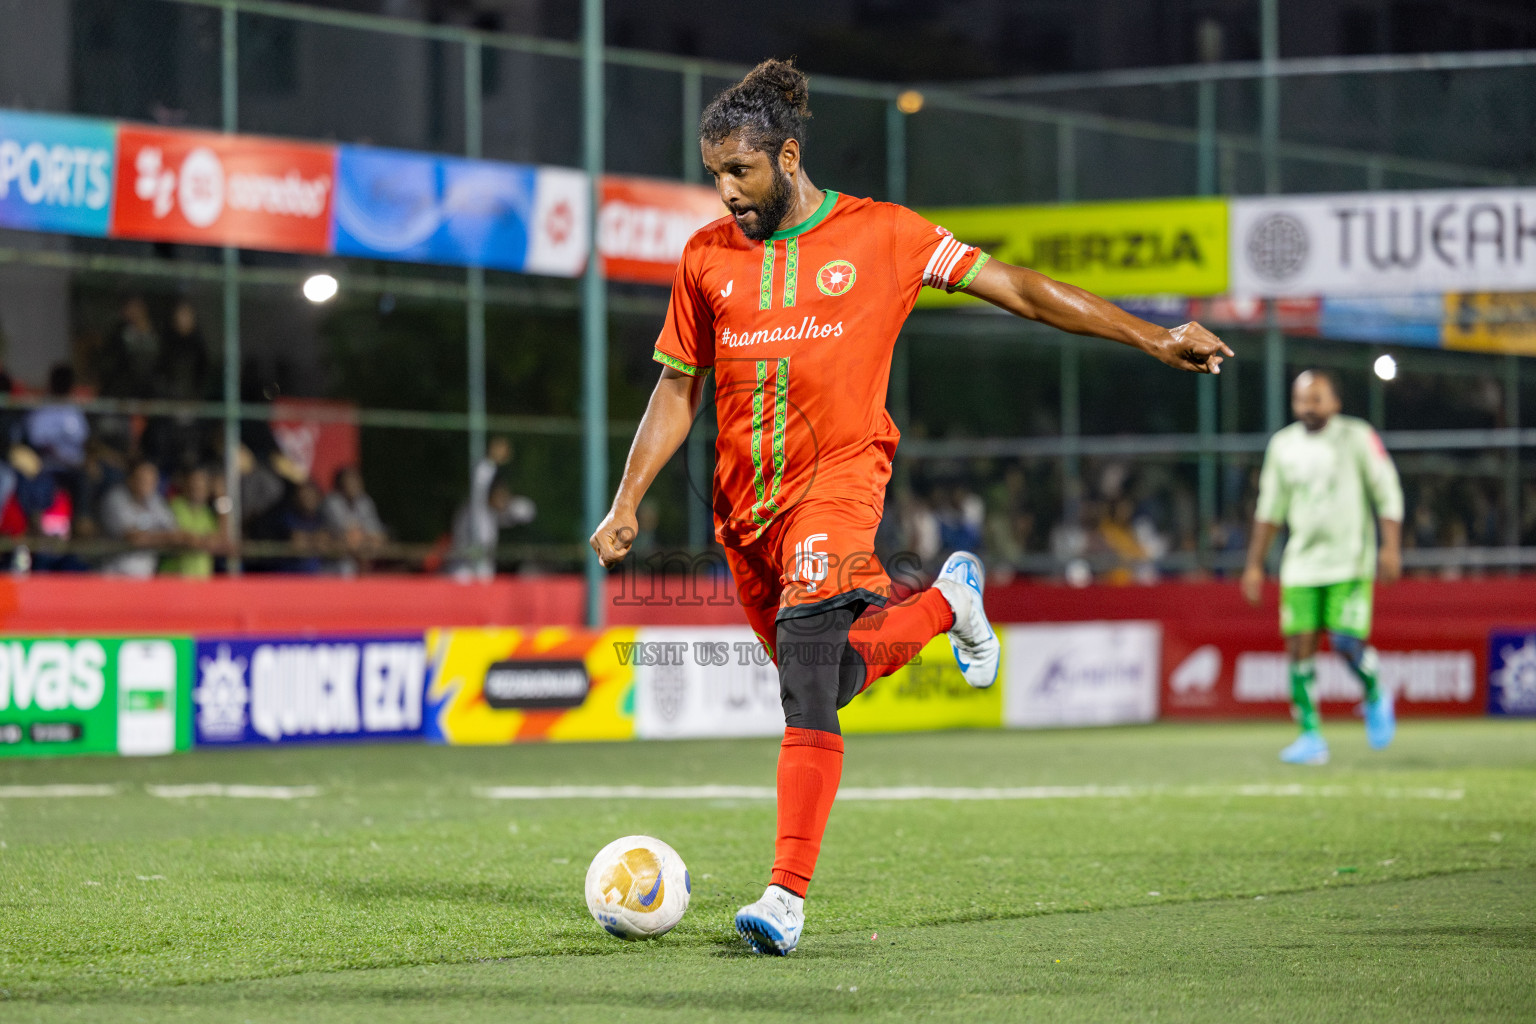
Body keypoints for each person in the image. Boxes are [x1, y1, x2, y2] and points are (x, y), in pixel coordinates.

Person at [588, 59, 1232, 956]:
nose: (725, 192)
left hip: (838, 486)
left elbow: (1020, 290)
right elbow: (677, 388)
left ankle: (784, 898)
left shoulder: (885, 235)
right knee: (829, 681)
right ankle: (947, 601)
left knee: (809, 676)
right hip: (746, 517)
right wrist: (627, 503)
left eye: (740, 172)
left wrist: (1151, 335)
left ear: (789, 155)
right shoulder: (704, 259)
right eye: (714, 175)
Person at [1241, 370, 1403, 766]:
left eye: (1316, 399)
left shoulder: (1358, 437)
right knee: (1300, 647)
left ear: (1335, 402)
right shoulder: (1283, 446)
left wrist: (1391, 547)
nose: (1307, 408)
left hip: (1349, 562)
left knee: (1345, 643)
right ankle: (1311, 736)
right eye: (1301, 400)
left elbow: (1387, 491)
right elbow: (1270, 510)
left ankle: (1375, 692)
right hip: (1301, 565)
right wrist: (1254, 566)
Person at [449, 437, 536, 581]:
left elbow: (527, 510)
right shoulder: (474, 508)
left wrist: (508, 503)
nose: (501, 499)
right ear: (490, 495)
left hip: (484, 568)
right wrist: (491, 459)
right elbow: (480, 482)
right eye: (499, 495)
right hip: (462, 567)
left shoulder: (495, 513)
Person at [100, 459, 183, 578]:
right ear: (131, 479)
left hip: (145, 575)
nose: (147, 484)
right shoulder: (116, 498)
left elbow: (175, 533)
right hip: (115, 575)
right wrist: (164, 537)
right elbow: (134, 537)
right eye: (142, 479)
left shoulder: (155, 500)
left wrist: (151, 537)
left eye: (151, 480)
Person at [323, 466, 387, 573]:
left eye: (356, 481)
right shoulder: (332, 501)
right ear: (340, 484)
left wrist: (364, 537)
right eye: (349, 481)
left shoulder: (365, 501)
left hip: (360, 557)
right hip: (332, 563)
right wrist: (361, 537)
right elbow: (345, 534)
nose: (354, 485)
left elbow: (377, 535)